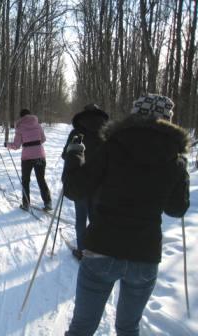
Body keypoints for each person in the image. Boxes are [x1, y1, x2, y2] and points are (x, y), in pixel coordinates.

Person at [62, 93, 190, 336]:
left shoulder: (112, 145)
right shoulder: (174, 159)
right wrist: (181, 174)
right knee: (128, 328)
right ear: (168, 120)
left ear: (135, 115)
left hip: (102, 250)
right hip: (145, 256)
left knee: (81, 328)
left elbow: (75, 188)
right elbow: (176, 209)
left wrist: (75, 154)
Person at [61, 103, 109, 260]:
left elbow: (65, 155)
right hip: (101, 183)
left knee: (80, 218)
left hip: (80, 181)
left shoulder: (76, 133)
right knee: (96, 218)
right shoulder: (107, 133)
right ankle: (97, 250)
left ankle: (82, 251)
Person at [6, 108, 52, 211]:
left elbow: (16, 145)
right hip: (40, 155)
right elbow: (43, 139)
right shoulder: (38, 125)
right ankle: (48, 203)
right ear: (30, 115)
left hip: (27, 158)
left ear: (21, 117)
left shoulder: (20, 127)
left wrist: (7, 145)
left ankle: (26, 204)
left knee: (25, 180)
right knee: (41, 179)